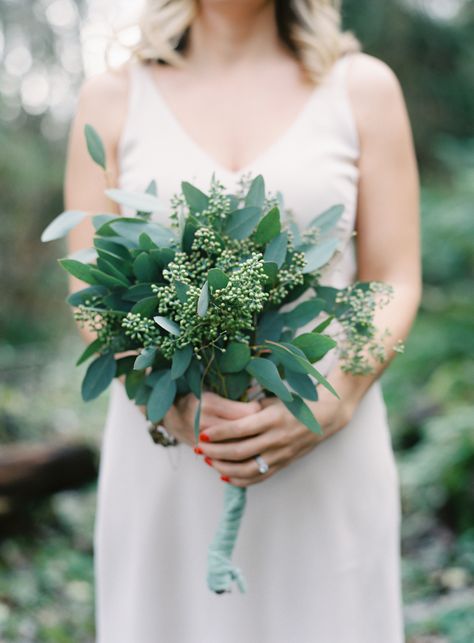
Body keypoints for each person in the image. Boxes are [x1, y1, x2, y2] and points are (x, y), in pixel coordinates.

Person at [65, 1, 421, 641]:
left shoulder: (362, 87)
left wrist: (339, 395)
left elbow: (394, 276)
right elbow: (89, 286)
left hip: (327, 452)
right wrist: (162, 398)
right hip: (169, 462)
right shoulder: (112, 96)